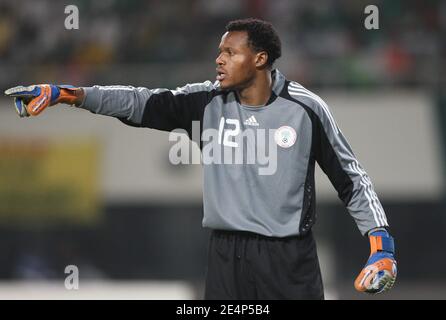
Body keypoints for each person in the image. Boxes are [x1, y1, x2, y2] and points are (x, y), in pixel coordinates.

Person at [4, 18, 396, 300]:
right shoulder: (206, 102)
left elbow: (352, 180)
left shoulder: (305, 110)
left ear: (260, 59)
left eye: (230, 52)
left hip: (287, 260)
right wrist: (67, 94)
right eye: (219, 51)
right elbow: (139, 101)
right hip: (226, 256)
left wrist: (381, 246)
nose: (219, 60)